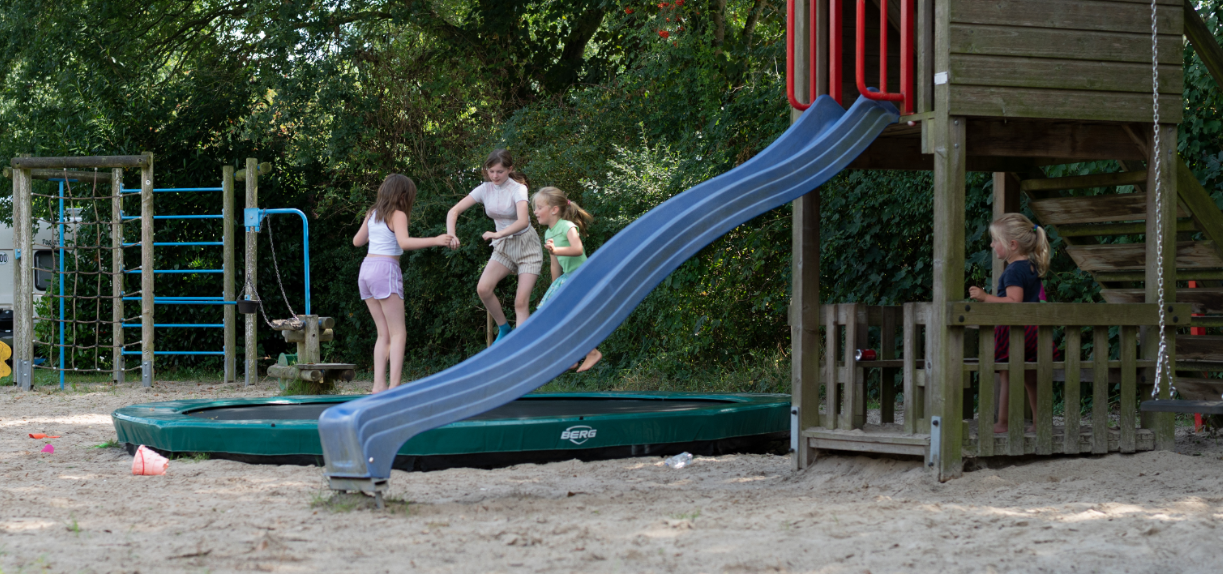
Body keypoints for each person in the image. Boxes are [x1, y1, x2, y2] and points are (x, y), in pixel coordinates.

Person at [353, 174, 452, 393]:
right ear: (403, 195)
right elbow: (404, 243)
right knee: (398, 333)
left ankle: (378, 386)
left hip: (366, 270)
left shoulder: (372, 213)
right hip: (385, 270)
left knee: (383, 333)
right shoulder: (397, 214)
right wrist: (436, 240)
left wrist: (375, 233)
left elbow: (357, 241)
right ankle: (395, 387)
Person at [446, 149, 542, 344]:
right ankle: (504, 329)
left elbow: (523, 221)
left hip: (527, 247)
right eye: (491, 171)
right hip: (504, 248)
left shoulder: (518, 189)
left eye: (500, 171)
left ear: (510, 169)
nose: (495, 176)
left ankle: (521, 351)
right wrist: (451, 234)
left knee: (520, 302)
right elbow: (454, 211)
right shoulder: (485, 189)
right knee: (483, 289)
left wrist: (498, 234)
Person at [968, 213, 1052, 433]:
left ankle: (1003, 422)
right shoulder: (1031, 267)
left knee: (1006, 375)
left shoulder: (1013, 270)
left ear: (1012, 245)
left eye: (995, 240)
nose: (992, 245)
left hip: (1017, 330)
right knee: (1031, 378)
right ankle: (1039, 422)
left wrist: (986, 298)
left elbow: (1015, 302)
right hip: (1034, 330)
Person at [533, 186, 602, 372]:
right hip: (567, 277)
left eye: (539, 207)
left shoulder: (567, 226)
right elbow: (555, 264)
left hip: (582, 275)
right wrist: (555, 289)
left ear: (554, 209)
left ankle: (591, 352)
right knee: (557, 315)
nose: (535, 211)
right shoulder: (548, 233)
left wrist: (556, 250)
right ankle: (571, 355)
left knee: (573, 316)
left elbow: (578, 249)